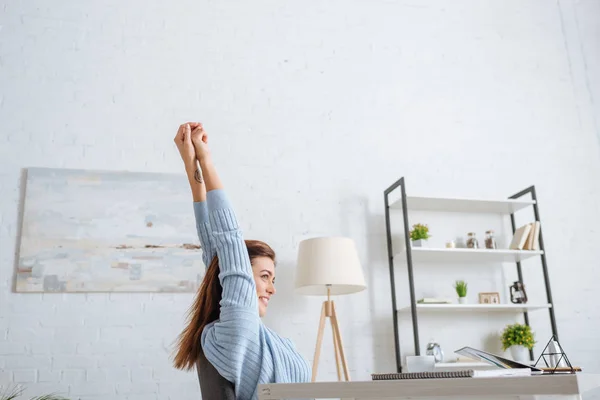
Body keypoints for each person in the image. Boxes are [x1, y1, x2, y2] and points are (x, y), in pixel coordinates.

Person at [171, 122, 311, 399]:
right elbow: (228, 240)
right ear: (241, 280)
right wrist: (205, 159)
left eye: (272, 279)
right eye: (264, 276)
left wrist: (192, 169)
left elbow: (214, 250)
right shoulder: (238, 328)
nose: (272, 288)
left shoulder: (243, 334)